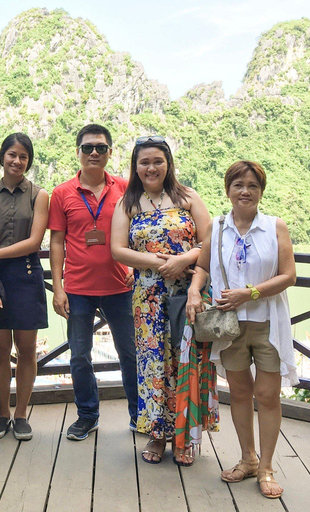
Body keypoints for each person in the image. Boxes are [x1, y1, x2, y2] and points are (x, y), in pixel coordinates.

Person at [186, 160, 298, 499]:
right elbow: (202, 266)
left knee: (266, 395)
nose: (245, 191)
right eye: (238, 185)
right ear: (228, 190)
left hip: (267, 323)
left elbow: (289, 275)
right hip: (228, 326)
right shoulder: (217, 227)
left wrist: (248, 293)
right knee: (238, 393)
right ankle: (248, 459)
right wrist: (194, 290)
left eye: (252, 185)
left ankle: (266, 466)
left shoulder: (275, 227)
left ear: (261, 191)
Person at [111, 135, 212, 465]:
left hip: (187, 295)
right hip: (147, 298)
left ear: (168, 164)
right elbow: (117, 249)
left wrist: (184, 260)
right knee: (153, 364)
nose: (151, 167)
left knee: (185, 363)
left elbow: (210, 241)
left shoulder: (186, 196)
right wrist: (160, 262)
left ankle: (183, 437)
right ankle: (158, 435)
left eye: (157, 161)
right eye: (144, 162)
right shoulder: (129, 203)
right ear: (135, 167)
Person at [47, 124, 139, 441]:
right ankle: (87, 416)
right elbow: (57, 242)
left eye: (100, 147)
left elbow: (140, 232)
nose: (94, 153)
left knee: (130, 353)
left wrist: (136, 267)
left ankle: (139, 415)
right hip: (78, 289)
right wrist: (58, 288)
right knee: (79, 355)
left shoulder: (127, 189)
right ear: (78, 153)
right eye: (88, 148)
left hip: (121, 287)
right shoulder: (62, 193)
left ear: (110, 152)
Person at [0, 133, 49, 440]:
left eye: (23, 156)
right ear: (2, 157)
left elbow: (35, 241)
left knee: (26, 349)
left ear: (28, 161)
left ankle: (21, 413)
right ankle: (3, 412)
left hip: (27, 273)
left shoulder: (38, 194)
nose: (17, 161)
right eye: (12, 155)